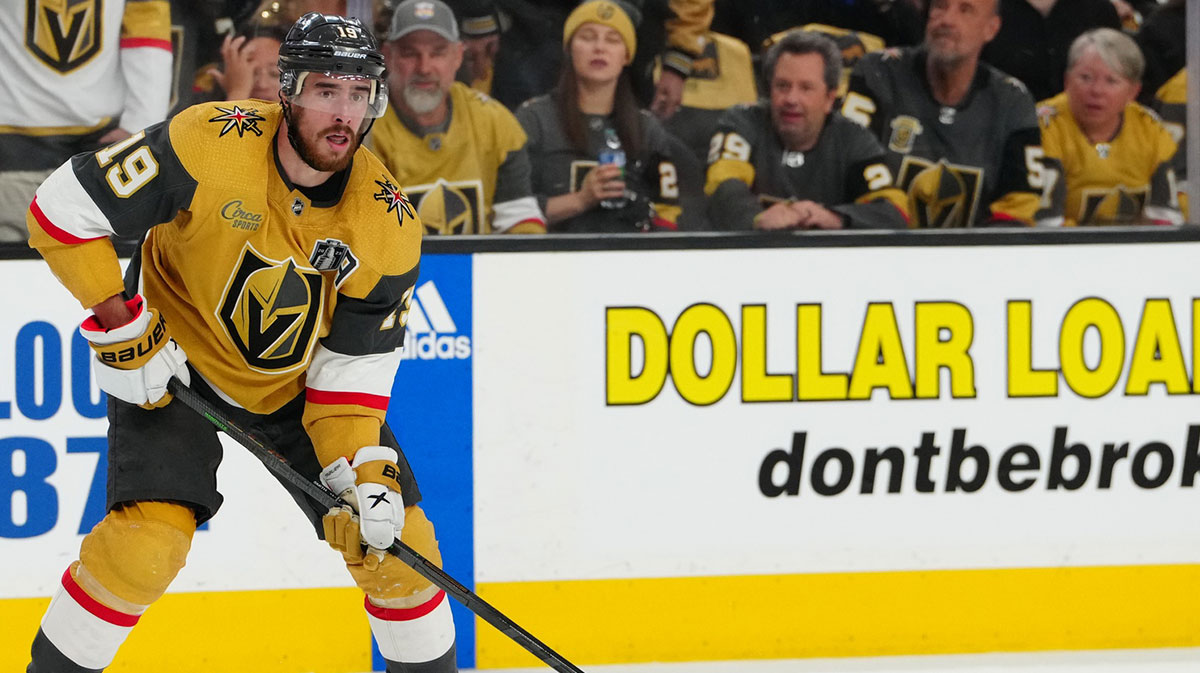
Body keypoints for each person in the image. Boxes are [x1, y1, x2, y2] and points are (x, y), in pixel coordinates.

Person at [24, 13, 458, 673]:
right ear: (286, 89)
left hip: (298, 385)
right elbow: (61, 208)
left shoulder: (388, 224)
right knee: (146, 546)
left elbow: (352, 371)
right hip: (176, 357)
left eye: (358, 93)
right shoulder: (208, 140)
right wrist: (121, 323)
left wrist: (365, 475)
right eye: (324, 90)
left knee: (402, 550)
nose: (343, 113)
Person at [841, 0, 1047, 228]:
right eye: (940, 6)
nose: (947, 20)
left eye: (965, 10)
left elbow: (1019, 207)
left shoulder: (1012, 101)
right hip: (877, 250)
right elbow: (848, 163)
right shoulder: (878, 73)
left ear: (991, 28)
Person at [516, 0, 704, 232]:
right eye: (587, 37)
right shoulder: (533, 120)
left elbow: (667, 217)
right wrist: (580, 200)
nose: (599, 48)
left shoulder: (646, 129)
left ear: (626, 56)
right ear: (569, 48)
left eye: (612, 40)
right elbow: (511, 212)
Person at [0, 0, 172, 243]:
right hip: (20, 153)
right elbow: (147, 21)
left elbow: (146, 20)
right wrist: (142, 124)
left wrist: (142, 125)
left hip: (89, 150)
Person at [371, 0, 545, 234]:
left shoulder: (493, 121)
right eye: (410, 53)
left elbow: (521, 222)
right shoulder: (364, 128)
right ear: (388, 56)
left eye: (438, 53)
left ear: (458, 56)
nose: (424, 67)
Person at [705, 30, 909, 231]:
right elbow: (721, 187)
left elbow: (894, 211)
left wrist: (836, 218)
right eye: (783, 86)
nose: (791, 99)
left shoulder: (854, 138)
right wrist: (757, 219)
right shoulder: (742, 122)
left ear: (829, 98)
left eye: (806, 88)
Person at [1035, 28, 1183, 226]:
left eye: (1111, 81)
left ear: (1133, 91)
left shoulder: (1150, 129)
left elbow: (1166, 218)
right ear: (1067, 81)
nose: (1096, 90)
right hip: (1063, 251)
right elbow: (1046, 224)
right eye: (1085, 77)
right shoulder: (1043, 126)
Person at [981, 0, 1121, 103]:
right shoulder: (985, 8)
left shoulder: (1100, 11)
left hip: (1081, 132)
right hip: (1002, 128)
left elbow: (1118, 77)